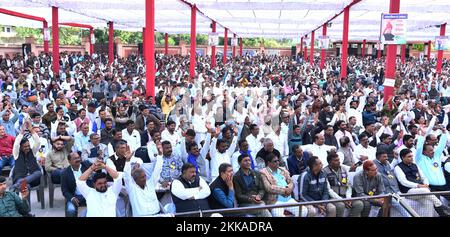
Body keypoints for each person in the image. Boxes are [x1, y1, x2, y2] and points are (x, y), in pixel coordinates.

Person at [395, 149, 449, 217]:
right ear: (403, 157)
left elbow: (424, 177)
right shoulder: (398, 167)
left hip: (421, 191)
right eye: (409, 156)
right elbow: (403, 181)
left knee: (428, 202)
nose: (411, 158)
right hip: (408, 191)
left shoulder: (415, 165)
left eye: (412, 156)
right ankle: (440, 205)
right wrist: (418, 185)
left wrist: (426, 184)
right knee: (425, 190)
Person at [323, 152, 364, 217]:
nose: (339, 162)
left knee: (359, 204)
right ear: (330, 162)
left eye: (339, 160)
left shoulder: (344, 169)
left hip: (345, 196)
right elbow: (329, 190)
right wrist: (341, 200)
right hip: (332, 198)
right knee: (340, 205)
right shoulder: (324, 171)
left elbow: (348, 186)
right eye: (336, 160)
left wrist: (348, 198)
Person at [373, 150, 411, 217]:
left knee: (405, 202)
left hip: (394, 190)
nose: (386, 158)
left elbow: (390, 173)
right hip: (385, 192)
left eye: (387, 156)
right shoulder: (373, 165)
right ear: (379, 157)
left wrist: (395, 159)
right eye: (384, 157)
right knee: (398, 204)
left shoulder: (386, 163)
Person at [11, 119, 42, 191]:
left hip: (33, 179)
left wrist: (31, 130)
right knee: (25, 187)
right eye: (25, 146)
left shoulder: (32, 151)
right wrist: (22, 132)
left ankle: (17, 185)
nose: (27, 148)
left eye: (28, 146)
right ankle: (20, 184)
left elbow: (37, 142)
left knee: (38, 172)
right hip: (20, 178)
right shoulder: (16, 154)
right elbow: (16, 144)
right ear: (20, 147)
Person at [61, 152, 91, 217]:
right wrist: (72, 198)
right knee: (70, 211)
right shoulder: (65, 173)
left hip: (89, 195)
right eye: (75, 158)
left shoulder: (86, 166)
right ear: (69, 161)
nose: (78, 160)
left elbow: (97, 172)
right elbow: (64, 190)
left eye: (78, 157)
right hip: (74, 196)